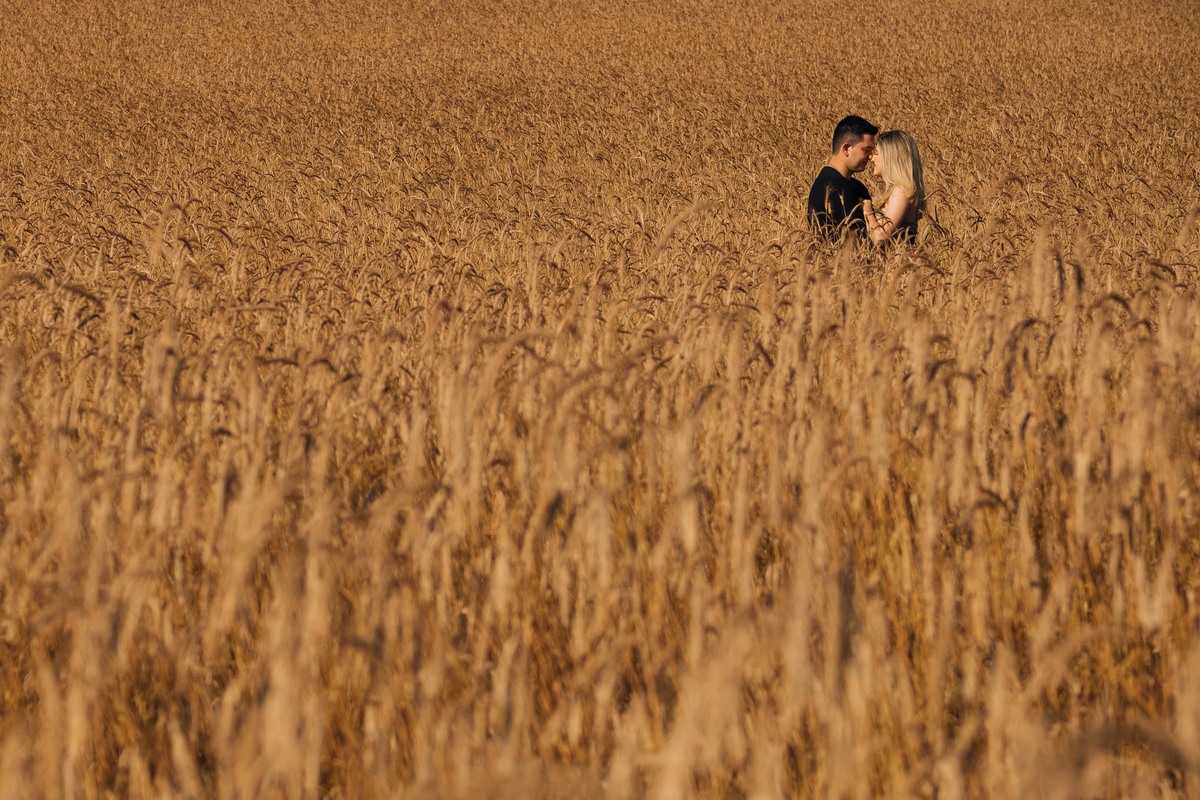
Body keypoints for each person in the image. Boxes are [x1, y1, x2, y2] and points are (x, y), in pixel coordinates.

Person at [807, 115, 878, 238]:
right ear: (846, 149)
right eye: (866, 150)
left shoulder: (854, 185)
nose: (871, 156)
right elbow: (861, 240)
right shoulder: (835, 187)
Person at [862, 130, 925, 245]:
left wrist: (868, 211)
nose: (872, 158)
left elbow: (880, 237)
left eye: (876, 153)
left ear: (890, 157)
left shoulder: (902, 191)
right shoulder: (898, 190)